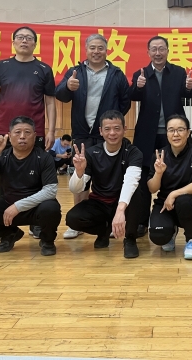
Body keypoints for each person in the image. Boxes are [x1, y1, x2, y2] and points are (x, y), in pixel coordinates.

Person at [0, 25, 57, 239]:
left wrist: (50, 131)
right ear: (13, 42)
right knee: (5, 176)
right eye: (20, 37)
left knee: (37, 177)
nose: (24, 40)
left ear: (35, 43)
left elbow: (50, 102)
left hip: (34, 132)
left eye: (29, 38)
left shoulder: (44, 69)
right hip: (4, 131)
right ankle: (4, 224)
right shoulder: (2, 66)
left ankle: (36, 222)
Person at [55, 33, 130, 239]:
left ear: (107, 50)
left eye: (100, 48)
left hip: (108, 134)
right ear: (86, 49)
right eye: (92, 48)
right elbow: (60, 94)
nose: (96, 51)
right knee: (81, 174)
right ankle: (78, 222)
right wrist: (67, 87)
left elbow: (125, 102)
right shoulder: (75, 72)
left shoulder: (116, 74)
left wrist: (110, 124)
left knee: (113, 176)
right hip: (82, 133)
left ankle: (113, 221)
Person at [0, 116, 61, 256]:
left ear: (34, 136)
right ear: (9, 136)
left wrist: (18, 206)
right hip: (8, 208)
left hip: (35, 208)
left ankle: (47, 240)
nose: (22, 136)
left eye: (27, 132)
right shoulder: (3, 156)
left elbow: (50, 191)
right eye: (17, 132)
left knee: (51, 208)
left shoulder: (44, 158)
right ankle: (9, 234)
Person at [130, 36, 192, 237]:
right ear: (148, 52)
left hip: (174, 135)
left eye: (161, 49)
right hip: (147, 136)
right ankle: (141, 221)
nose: (158, 53)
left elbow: (188, 95)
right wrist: (138, 86)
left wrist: (189, 87)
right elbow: (133, 96)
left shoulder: (178, 72)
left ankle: (177, 217)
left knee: (179, 174)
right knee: (144, 179)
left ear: (168, 51)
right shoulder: (141, 74)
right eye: (154, 49)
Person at [65, 110, 144, 259]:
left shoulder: (133, 152)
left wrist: (120, 210)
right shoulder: (91, 153)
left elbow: (131, 181)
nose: (112, 133)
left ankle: (130, 239)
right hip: (100, 202)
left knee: (135, 191)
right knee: (72, 218)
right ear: (101, 131)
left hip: (122, 202)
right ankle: (104, 231)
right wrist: (79, 172)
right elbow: (76, 188)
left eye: (117, 128)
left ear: (125, 129)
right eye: (107, 129)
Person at [147, 115, 192, 260]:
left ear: (188, 132)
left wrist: (174, 194)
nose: (176, 134)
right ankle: (171, 230)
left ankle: (191, 240)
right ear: (166, 133)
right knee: (158, 236)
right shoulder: (159, 155)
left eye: (180, 130)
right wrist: (159, 173)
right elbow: (152, 189)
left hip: (191, 204)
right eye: (171, 130)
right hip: (165, 204)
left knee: (184, 200)